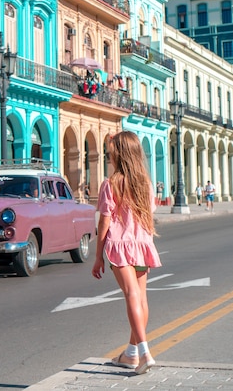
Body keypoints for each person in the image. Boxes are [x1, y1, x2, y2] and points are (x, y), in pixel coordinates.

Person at [92, 131, 161, 375]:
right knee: (141, 297)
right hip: (142, 243)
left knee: (131, 294)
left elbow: (104, 223)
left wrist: (98, 256)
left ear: (118, 155)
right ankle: (131, 354)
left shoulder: (110, 184)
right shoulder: (146, 184)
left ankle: (144, 352)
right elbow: (148, 215)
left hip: (119, 245)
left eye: (111, 152)